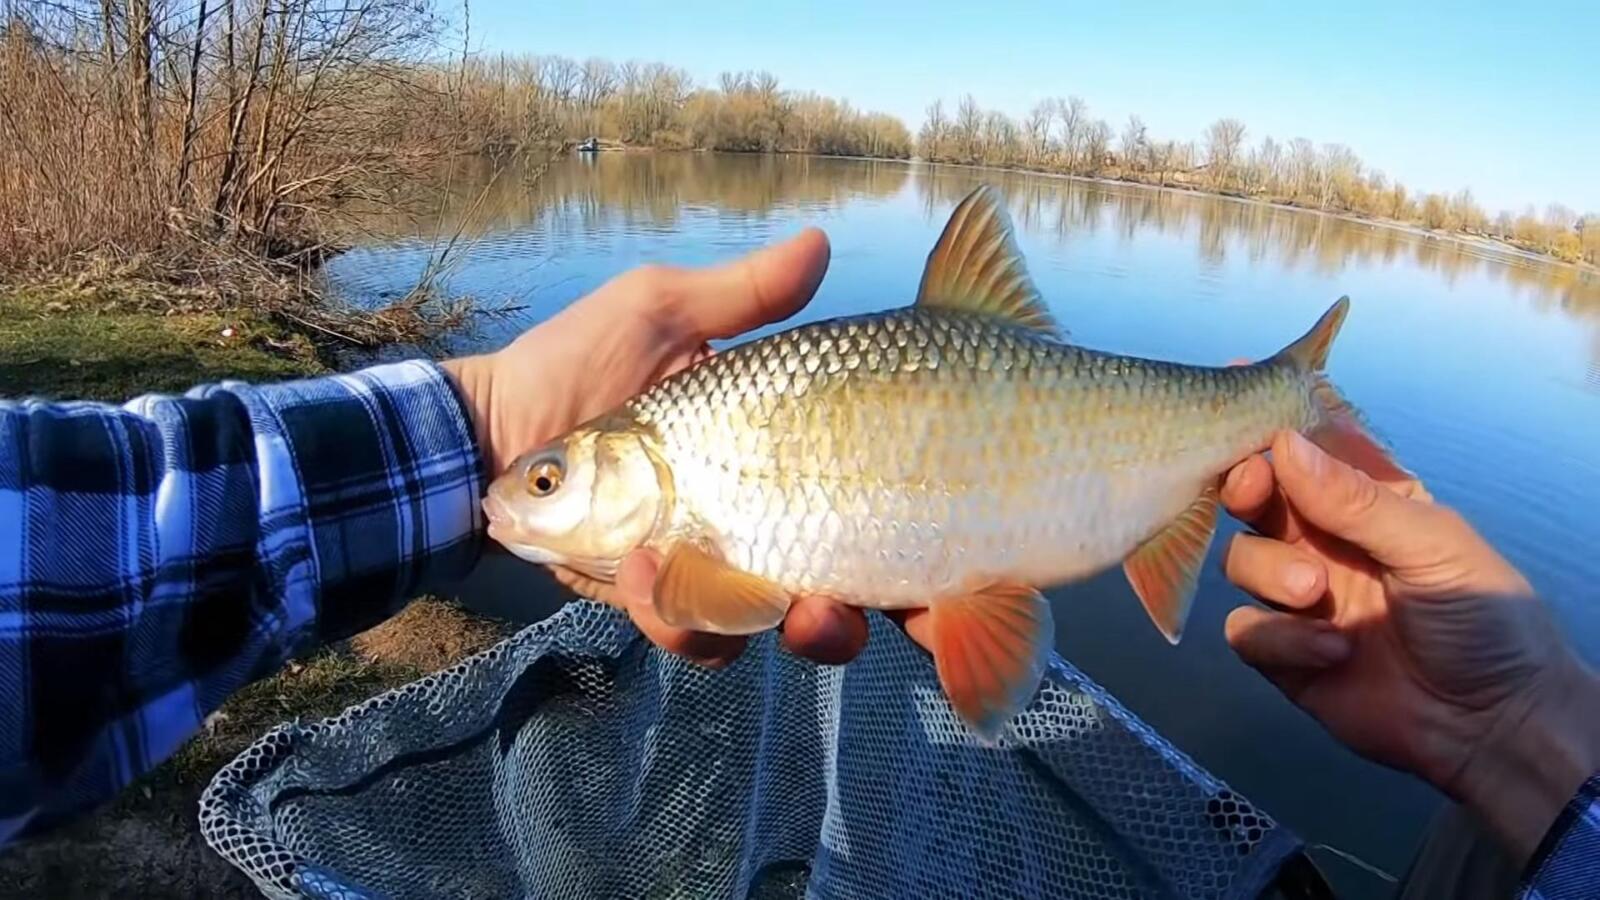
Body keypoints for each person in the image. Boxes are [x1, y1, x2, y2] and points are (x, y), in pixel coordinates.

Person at [1, 231, 1595, 898]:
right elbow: (695, 587)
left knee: (964, 628)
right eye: (545, 479)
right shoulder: (682, 459)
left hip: (1117, 473)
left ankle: (1279, 390)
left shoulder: (686, 461)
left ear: (615, 462)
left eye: (548, 478)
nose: (529, 499)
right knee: (950, 628)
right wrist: (1535, 750)